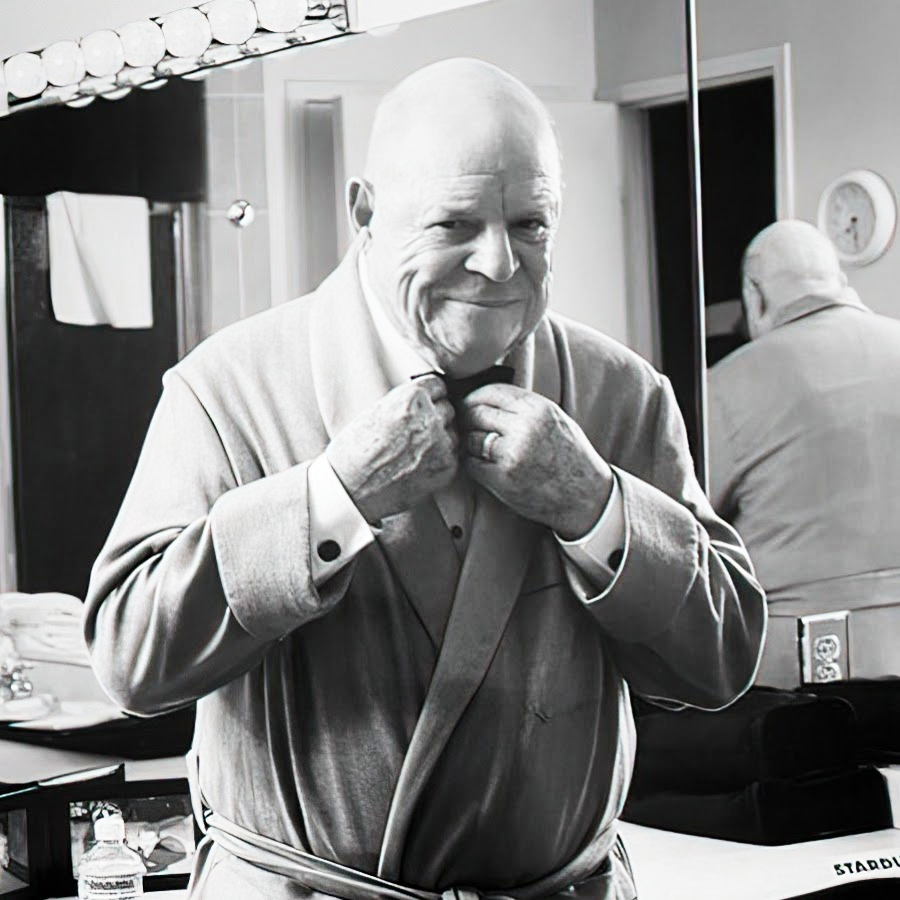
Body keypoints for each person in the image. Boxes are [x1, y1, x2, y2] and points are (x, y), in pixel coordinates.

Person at [84, 58, 765, 900]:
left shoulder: (622, 394)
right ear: (365, 214)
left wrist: (596, 506)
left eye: (531, 224)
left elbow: (722, 662)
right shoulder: (227, 389)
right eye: (454, 224)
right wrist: (333, 498)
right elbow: (132, 658)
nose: (501, 263)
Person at [708, 218, 900, 681]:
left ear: (754, 296)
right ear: (840, 281)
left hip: (803, 677)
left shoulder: (723, 386)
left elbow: (685, 528)